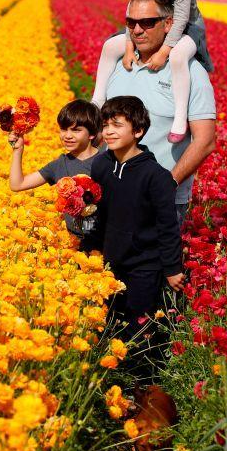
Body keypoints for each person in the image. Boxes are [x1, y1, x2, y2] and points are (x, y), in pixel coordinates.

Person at [94, 0, 216, 227]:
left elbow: (205, 141)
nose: (137, 30)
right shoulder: (121, 65)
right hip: (109, 192)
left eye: (147, 23)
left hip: (160, 200)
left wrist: (166, 185)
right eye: (131, 23)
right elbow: (102, 129)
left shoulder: (191, 73)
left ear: (168, 24)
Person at [86, 96, 183, 384]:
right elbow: (99, 214)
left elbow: (168, 226)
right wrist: (91, 248)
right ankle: (109, 382)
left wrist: (172, 268)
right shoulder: (102, 166)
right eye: (105, 126)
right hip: (109, 261)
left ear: (138, 131)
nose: (109, 132)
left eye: (117, 125)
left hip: (144, 265)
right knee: (105, 324)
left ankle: (141, 383)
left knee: (138, 327)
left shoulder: (157, 177)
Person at [93, 0, 213, 143]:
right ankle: (97, 100)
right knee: (110, 46)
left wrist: (164, 52)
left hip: (186, 28)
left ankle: (179, 117)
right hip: (149, 23)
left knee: (178, 57)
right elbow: (132, 11)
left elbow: (181, 19)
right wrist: (129, 47)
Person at [8, 99, 102, 237]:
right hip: (71, 244)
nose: (68, 136)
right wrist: (18, 150)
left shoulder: (107, 163)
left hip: (103, 245)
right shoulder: (59, 165)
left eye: (76, 130)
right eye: (64, 129)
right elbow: (17, 184)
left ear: (92, 134)